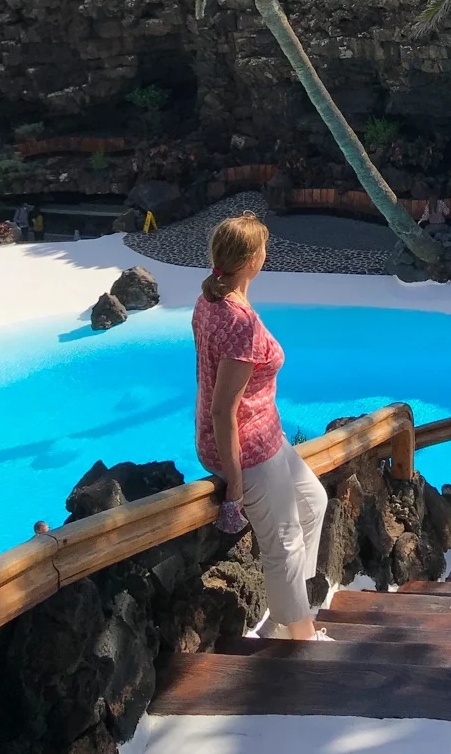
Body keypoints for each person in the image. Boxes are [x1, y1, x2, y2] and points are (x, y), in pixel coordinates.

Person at [193, 213, 328, 642]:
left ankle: (288, 605)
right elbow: (222, 410)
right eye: (263, 249)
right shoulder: (240, 323)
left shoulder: (211, 300)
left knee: (313, 504)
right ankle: (300, 635)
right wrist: (234, 484)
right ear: (253, 259)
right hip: (246, 450)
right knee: (283, 541)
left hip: (266, 437)